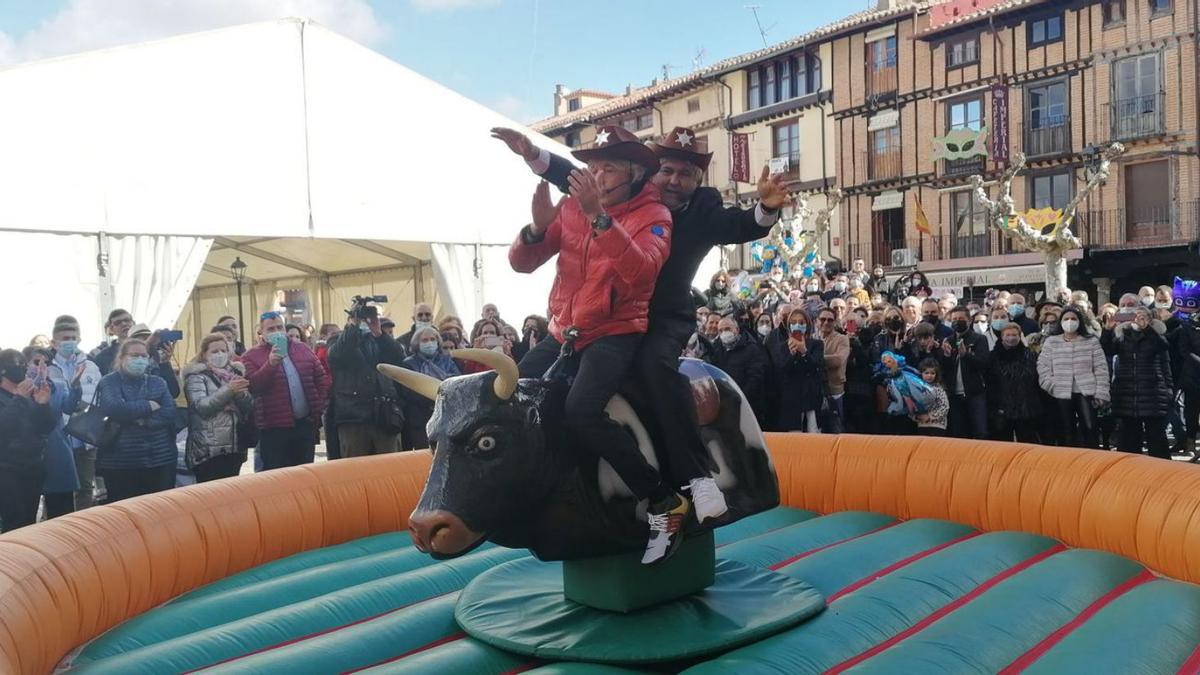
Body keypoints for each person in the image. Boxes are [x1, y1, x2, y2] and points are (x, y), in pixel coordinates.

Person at [495, 124, 789, 558]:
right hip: (586, 323)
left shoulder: (671, 212)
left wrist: (766, 206)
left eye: (685, 175)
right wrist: (532, 157)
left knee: (651, 369)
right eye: (667, 170)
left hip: (655, 319)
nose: (673, 180)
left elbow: (742, 224)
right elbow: (570, 175)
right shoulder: (596, 195)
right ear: (650, 172)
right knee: (514, 393)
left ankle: (694, 480)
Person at [505, 124, 697, 564]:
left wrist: (599, 218)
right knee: (511, 396)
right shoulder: (572, 206)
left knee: (581, 412)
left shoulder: (655, 215)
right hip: (563, 330)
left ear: (633, 172)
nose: (597, 175)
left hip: (615, 331)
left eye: (608, 167)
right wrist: (536, 229)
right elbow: (523, 264)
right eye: (593, 166)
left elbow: (642, 273)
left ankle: (664, 501)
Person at [94, 339, 178, 502]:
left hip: (160, 459)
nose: (139, 359)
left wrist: (142, 421)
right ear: (122, 357)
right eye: (134, 355)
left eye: (143, 356)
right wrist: (149, 405)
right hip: (120, 462)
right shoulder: (109, 381)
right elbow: (115, 409)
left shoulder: (158, 382)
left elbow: (169, 412)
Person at [242, 312, 329, 470]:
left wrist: (318, 407)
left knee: (304, 473)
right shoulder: (250, 356)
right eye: (271, 329)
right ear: (261, 332)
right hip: (273, 428)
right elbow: (254, 386)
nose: (276, 331)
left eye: (279, 327)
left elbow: (321, 378)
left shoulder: (303, 348)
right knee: (277, 475)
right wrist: (270, 364)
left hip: (304, 425)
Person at [328, 306, 406, 457]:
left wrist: (378, 332)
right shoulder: (338, 340)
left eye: (366, 318)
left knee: (389, 466)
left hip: (384, 415)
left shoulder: (378, 339)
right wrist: (354, 326)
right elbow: (338, 354)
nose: (364, 322)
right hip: (353, 417)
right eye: (360, 318)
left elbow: (398, 357)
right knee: (355, 469)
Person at [183, 334, 254, 482]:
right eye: (214, 352)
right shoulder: (196, 377)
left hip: (234, 447)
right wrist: (229, 390)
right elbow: (202, 407)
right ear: (204, 354)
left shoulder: (235, 373)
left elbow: (248, 406)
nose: (220, 354)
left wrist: (240, 394)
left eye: (223, 350)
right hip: (208, 450)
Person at [48, 316, 102, 510]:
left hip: (85, 437)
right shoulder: (48, 367)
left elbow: (98, 397)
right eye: (64, 338)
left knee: (86, 486)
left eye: (73, 337)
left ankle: (82, 527)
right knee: (56, 488)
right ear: (54, 342)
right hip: (59, 437)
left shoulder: (91, 366)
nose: (69, 342)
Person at [1105, 307, 1173, 460]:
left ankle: (1164, 473)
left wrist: (1147, 329)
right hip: (1127, 392)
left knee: (1157, 439)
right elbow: (1108, 350)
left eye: (1142, 316)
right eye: (1135, 316)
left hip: (1153, 392)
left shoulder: (1156, 335)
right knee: (1129, 439)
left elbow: (1163, 348)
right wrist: (1108, 330)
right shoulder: (1123, 336)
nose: (1138, 319)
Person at [1038, 306, 1110, 449]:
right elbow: (1043, 366)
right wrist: (1051, 385)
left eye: (1073, 319)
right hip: (1061, 391)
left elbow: (1101, 368)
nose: (1070, 321)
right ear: (1061, 322)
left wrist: (1101, 392)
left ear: (1079, 322)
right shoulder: (1051, 342)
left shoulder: (1091, 341)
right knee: (1066, 429)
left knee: (1090, 427)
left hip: (1086, 391)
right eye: (1066, 319)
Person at [0, 349, 56, 531]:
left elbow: (45, 428)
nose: (22, 369)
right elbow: (4, 428)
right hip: (7, 469)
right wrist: (19, 400)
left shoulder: (29, 394)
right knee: (14, 521)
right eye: (16, 365)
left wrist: (43, 405)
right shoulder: (19, 397)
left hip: (33, 465)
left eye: (23, 364)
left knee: (29, 523)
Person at [25, 346, 78, 519]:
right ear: (25, 364)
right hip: (28, 455)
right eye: (36, 362)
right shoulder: (19, 389)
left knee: (62, 512)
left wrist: (76, 388)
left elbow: (69, 409)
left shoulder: (59, 386)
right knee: (25, 514)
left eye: (46, 363)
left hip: (57, 449)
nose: (41, 366)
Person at [400, 327, 461, 451]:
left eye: (432, 339)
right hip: (420, 419)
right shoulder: (409, 364)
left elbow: (457, 382)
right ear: (417, 343)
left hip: (446, 416)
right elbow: (409, 391)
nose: (429, 342)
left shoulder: (447, 361)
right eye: (425, 340)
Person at [767, 309, 825, 432]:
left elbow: (816, 367)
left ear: (807, 325)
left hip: (811, 397)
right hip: (791, 400)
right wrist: (791, 355)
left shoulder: (817, 344)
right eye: (793, 322)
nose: (797, 325)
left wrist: (804, 352)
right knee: (794, 437)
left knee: (814, 435)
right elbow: (782, 370)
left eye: (801, 322)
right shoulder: (783, 346)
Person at [986, 323, 1043, 443]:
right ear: (1001, 337)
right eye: (1007, 335)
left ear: (1020, 336)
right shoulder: (992, 357)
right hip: (1001, 408)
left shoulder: (1030, 355)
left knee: (1028, 442)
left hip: (1026, 407)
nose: (1011, 338)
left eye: (1014, 335)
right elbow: (990, 382)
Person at [940, 306, 989, 440]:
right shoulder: (948, 340)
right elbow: (943, 369)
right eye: (954, 319)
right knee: (959, 432)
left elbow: (983, 364)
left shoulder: (979, 339)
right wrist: (946, 355)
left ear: (969, 320)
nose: (957, 321)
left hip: (974, 393)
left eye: (961, 319)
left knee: (980, 431)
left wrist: (966, 355)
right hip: (954, 394)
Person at [710, 316, 768, 423]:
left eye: (727, 329)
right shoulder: (717, 350)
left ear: (736, 330)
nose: (724, 333)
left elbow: (755, 378)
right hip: (723, 406)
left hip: (746, 405)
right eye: (721, 330)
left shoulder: (751, 349)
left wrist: (739, 397)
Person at [815, 307, 849, 431]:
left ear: (834, 322)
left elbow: (838, 360)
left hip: (834, 393)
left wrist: (811, 358)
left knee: (835, 429)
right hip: (814, 391)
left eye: (830, 320)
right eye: (823, 319)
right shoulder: (812, 338)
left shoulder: (842, 339)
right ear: (816, 321)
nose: (826, 322)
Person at [912, 359, 949, 436]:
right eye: (926, 373)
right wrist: (917, 417)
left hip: (938, 426)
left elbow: (945, 406)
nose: (929, 376)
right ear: (921, 373)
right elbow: (911, 406)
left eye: (932, 373)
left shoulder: (938, 389)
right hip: (922, 425)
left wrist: (930, 416)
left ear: (936, 374)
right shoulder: (917, 389)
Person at [92, 309, 135, 374]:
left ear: (134, 323)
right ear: (111, 329)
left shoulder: (149, 348)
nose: (124, 324)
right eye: (117, 323)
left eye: (127, 320)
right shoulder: (102, 357)